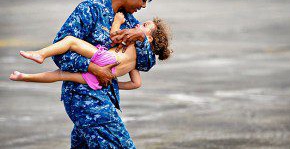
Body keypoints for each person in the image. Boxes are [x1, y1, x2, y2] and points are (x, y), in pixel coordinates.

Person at [17, 0, 159, 148]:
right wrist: (93, 67)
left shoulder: (132, 23)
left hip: (103, 98)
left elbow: (146, 63)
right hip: (83, 98)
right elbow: (60, 54)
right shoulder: (90, 10)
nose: (144, 5)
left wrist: (140, 36)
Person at [9, 13, 171, 91]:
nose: (139, 25)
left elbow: (114, 36)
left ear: (149, 38)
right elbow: (137, 83)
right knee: (60, 75)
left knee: (71, 41)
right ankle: (24, 77)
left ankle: (41, 54)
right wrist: (114, 84)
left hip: (106, 58)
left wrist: (118, 21)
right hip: (106, 77)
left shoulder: (138, 41)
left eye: (144, 26)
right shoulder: (142, 59)